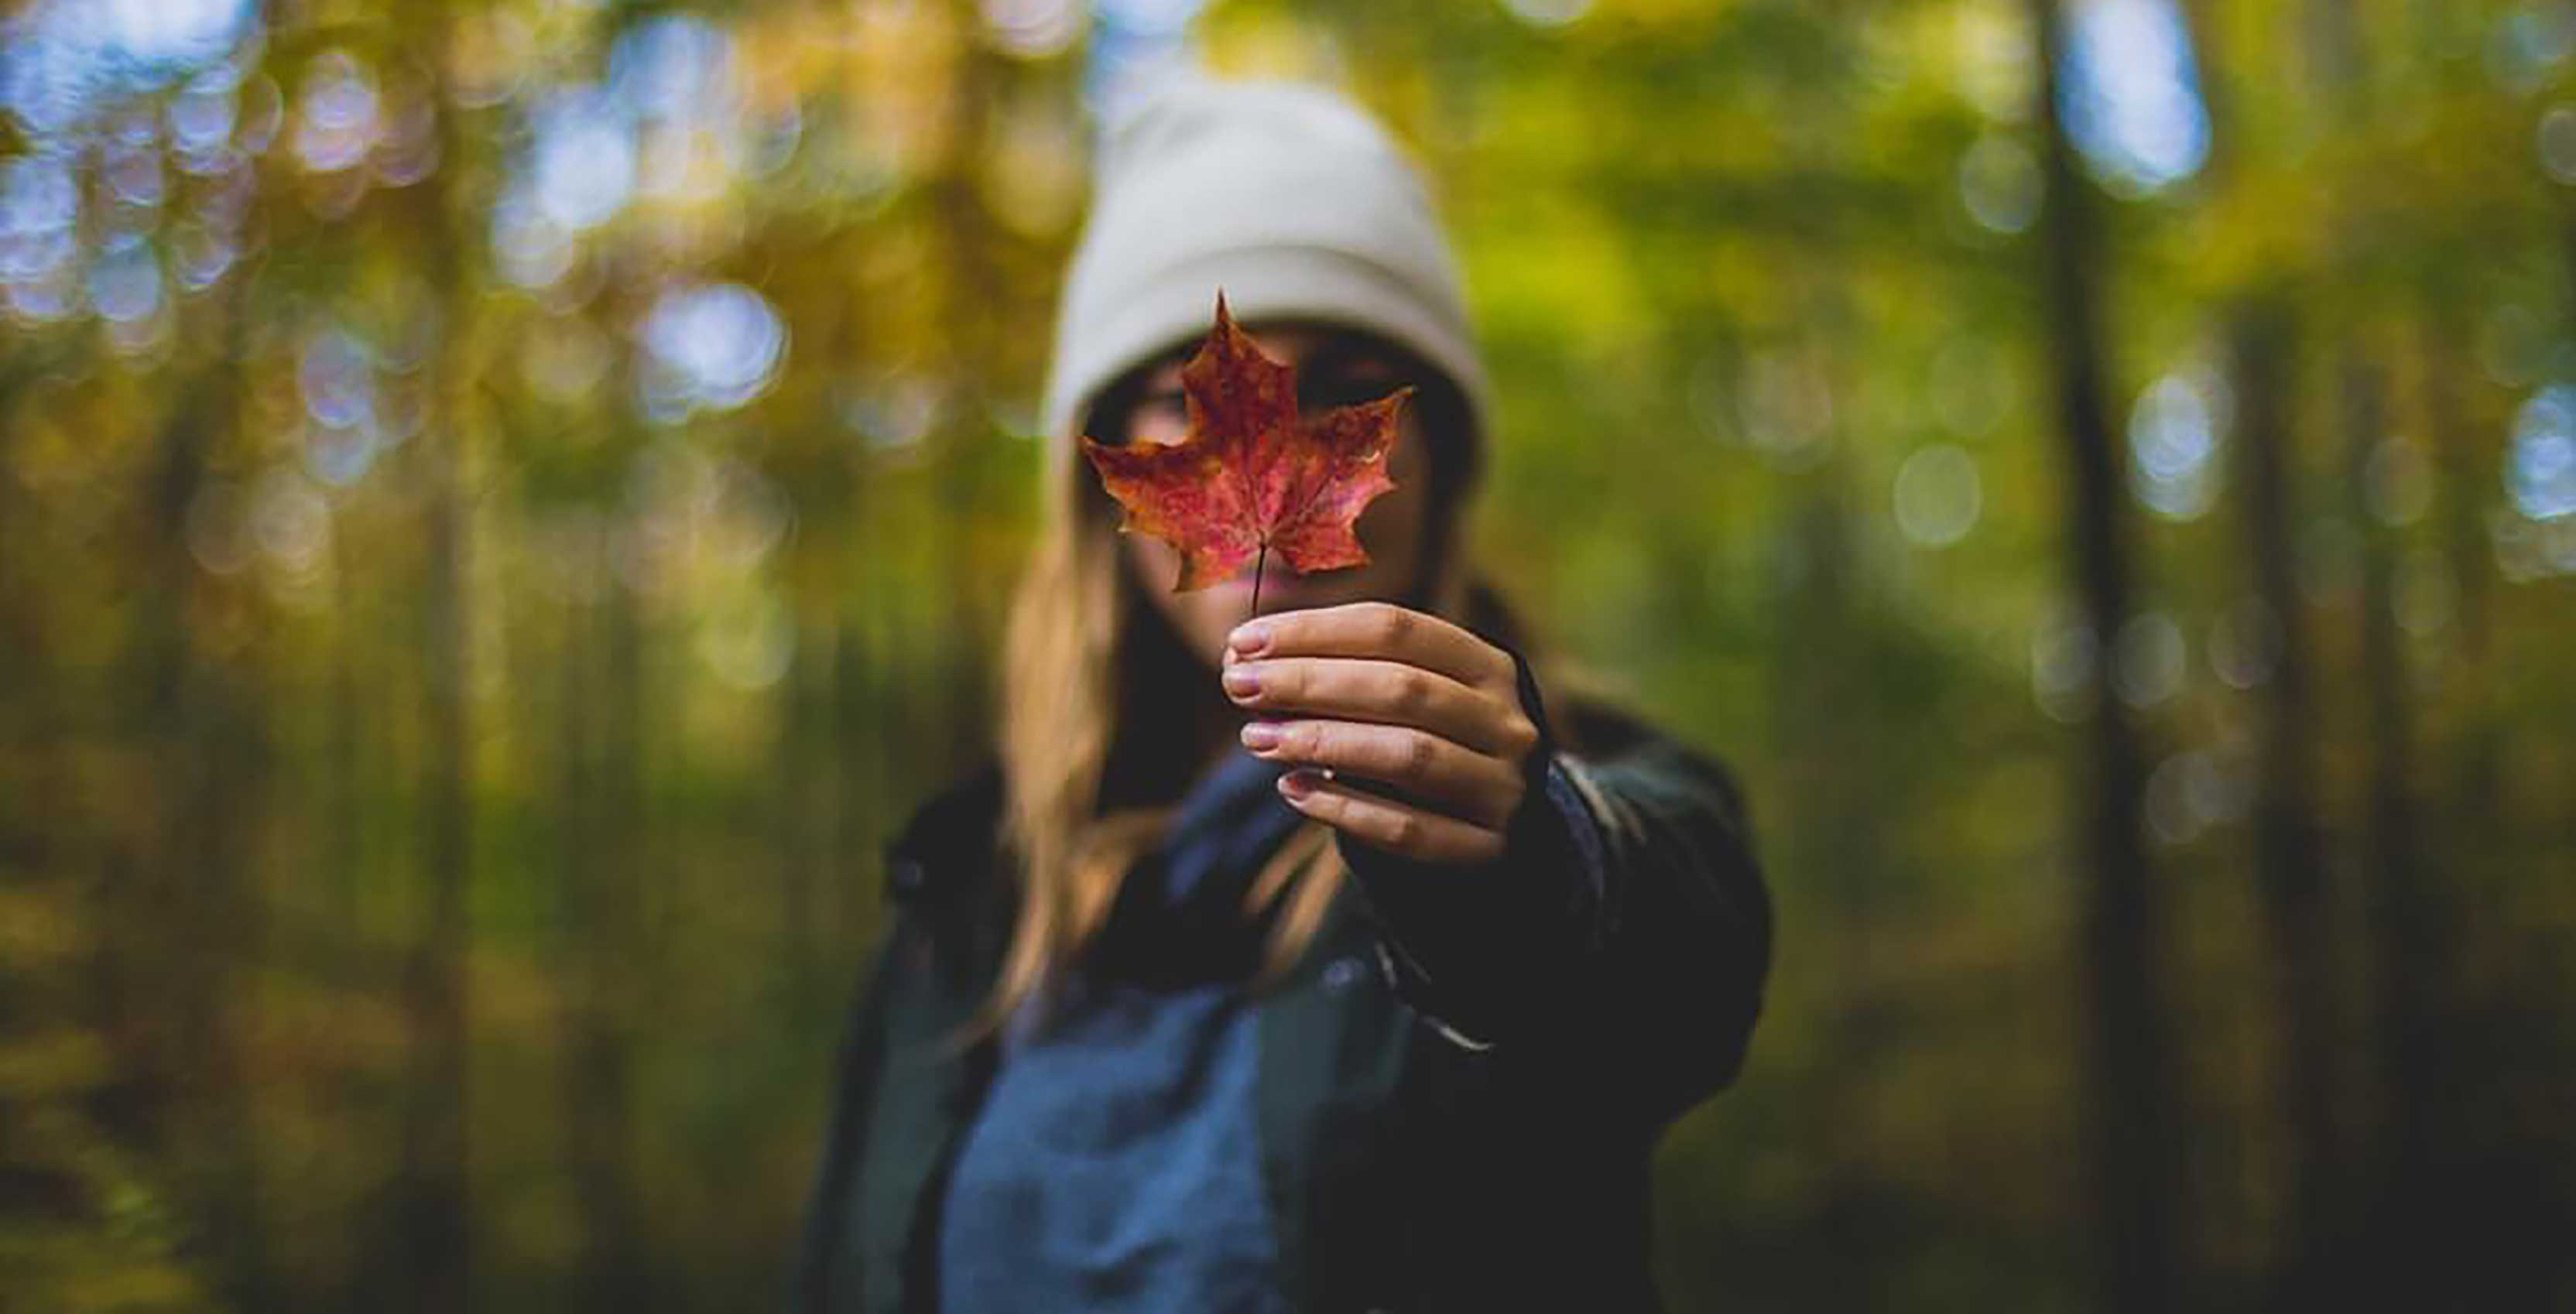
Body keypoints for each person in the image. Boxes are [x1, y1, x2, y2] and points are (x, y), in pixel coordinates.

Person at [791, 75, 1772, 1314]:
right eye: (1191, 390)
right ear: (1106, 473)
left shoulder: (1558, 788)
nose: (1281, 445)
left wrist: (1520, 858)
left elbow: (1671, 953)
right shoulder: (964, 900)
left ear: (1439, 463)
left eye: (1350, 383)